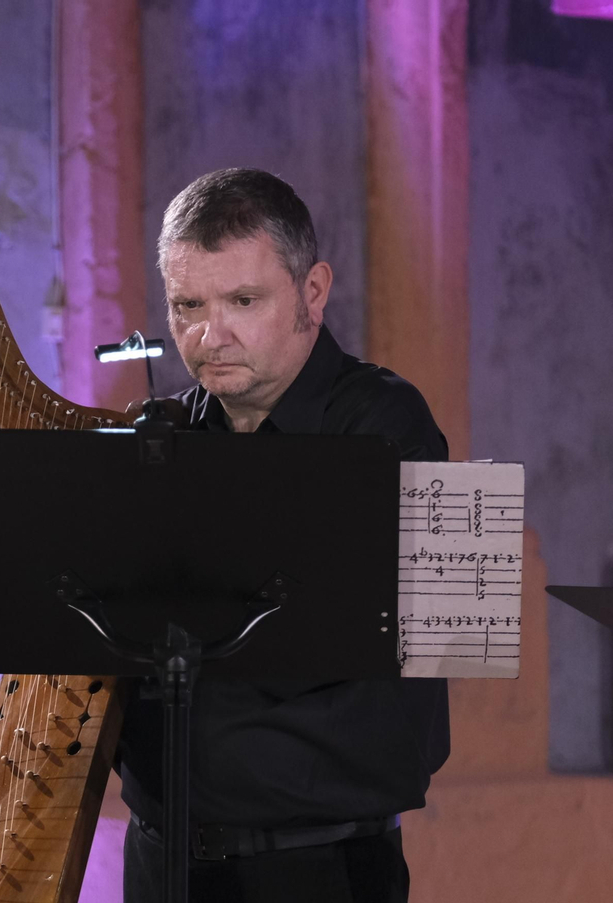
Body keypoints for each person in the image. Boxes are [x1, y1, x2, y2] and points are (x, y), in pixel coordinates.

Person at [115, 168, 451, 903]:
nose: (210, 336)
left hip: (315, 872)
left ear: (313, 292)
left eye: (242, 301)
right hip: (159, 866)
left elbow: (395, 719)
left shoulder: (384, 428)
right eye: (187, 306)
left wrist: (200, 730)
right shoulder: (164, 440)